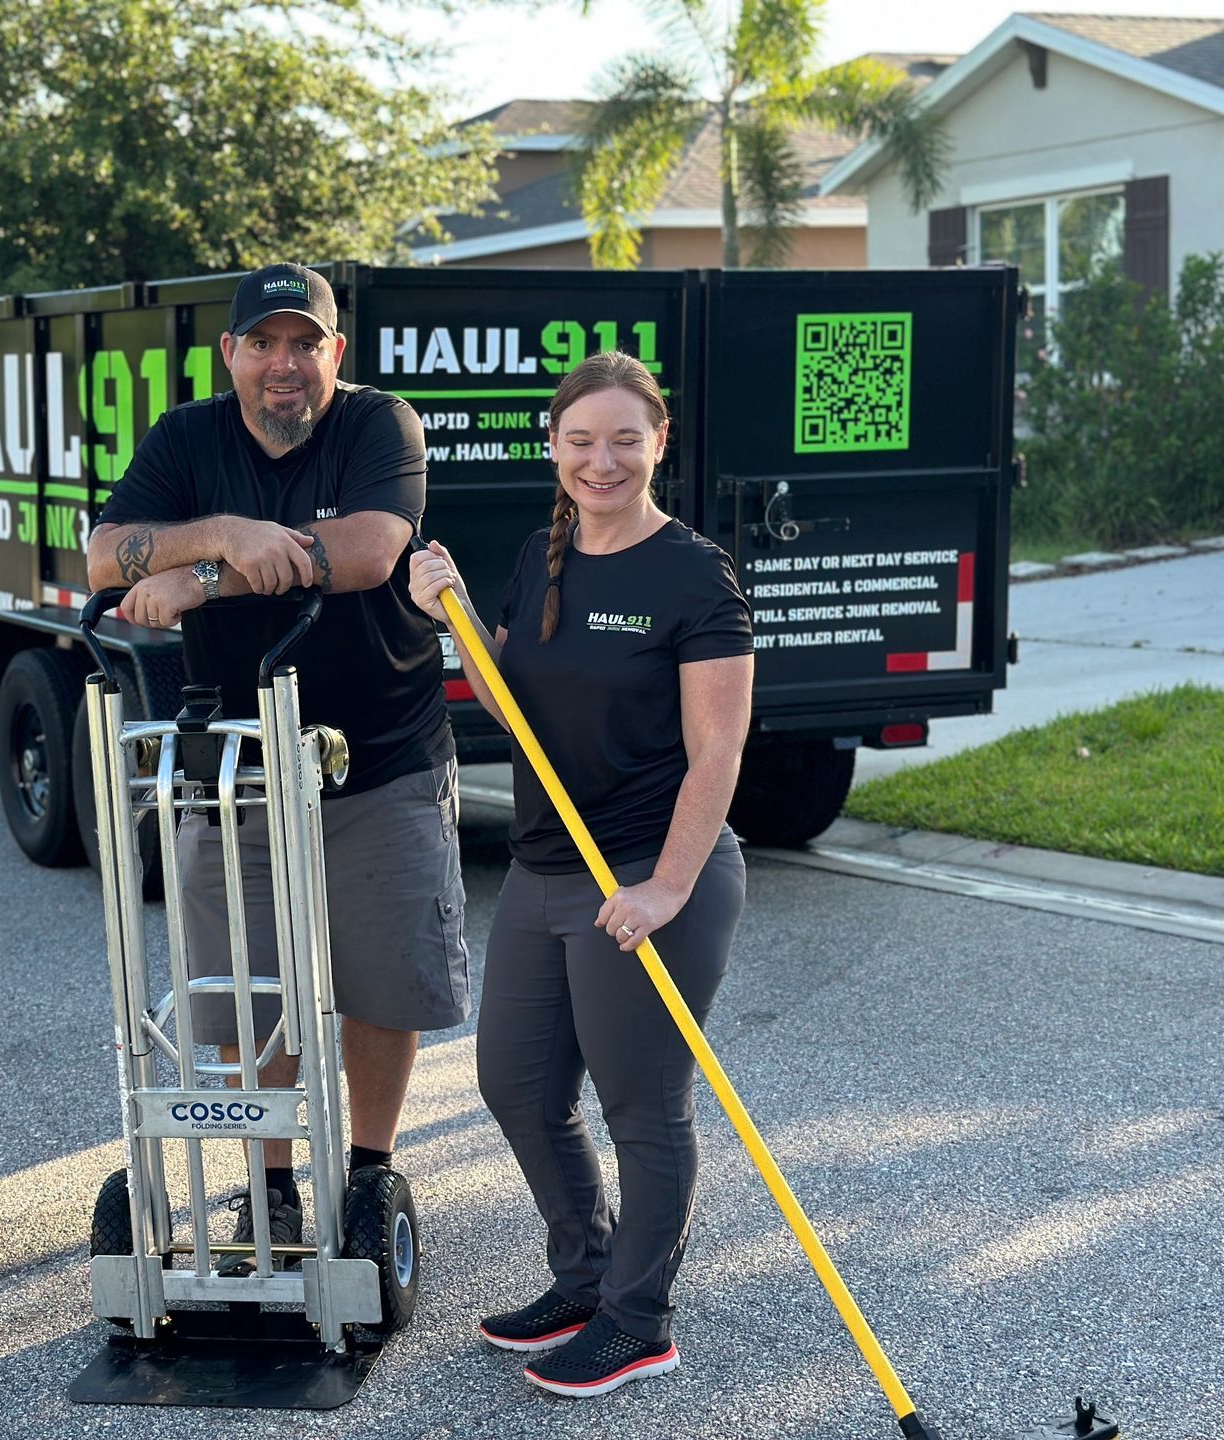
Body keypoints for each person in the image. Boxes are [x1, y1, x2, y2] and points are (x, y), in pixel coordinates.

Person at [87, 262, 470, 1272]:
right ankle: (272, 1184)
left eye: (306, 343)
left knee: (381, 983)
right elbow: (101, 557)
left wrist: (201, 576)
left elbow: (368, 550)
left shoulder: (380, 425)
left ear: (336, 354)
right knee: (247, 990)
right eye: (264, 344)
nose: (284, 364)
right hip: (236, 763)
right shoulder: (187, 439)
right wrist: (221, 531)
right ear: (233, 356)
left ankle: (369, 1170)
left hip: (377, 758)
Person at [407, 350, 752, 1398]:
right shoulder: (539, 556)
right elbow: (516, 713)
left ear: (659, 444)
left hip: (650, 872)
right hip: (549, 865)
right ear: (553, 446)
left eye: (625, 438)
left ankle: (639, 1321)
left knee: (642, 1106)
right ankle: (588, 1274)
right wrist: (455, 618)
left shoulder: (694, 573)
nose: (602, 460)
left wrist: (667, 888)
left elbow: (719, 752)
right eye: (581, 439)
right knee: (515, 1081)